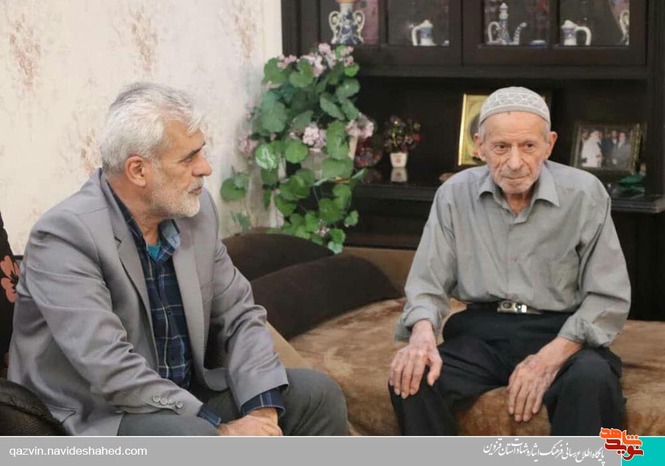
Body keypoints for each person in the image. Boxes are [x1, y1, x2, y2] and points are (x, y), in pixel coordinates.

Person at [8, 82, 348, 436]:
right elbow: (109, 367)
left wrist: (261, 413)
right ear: (138, 170)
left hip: (181, 401)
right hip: (96, 418)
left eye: (201, 153)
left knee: (317, 394)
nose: (205, 168)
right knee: (195, 438)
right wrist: (223, 430)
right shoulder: (65, 236)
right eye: (189, 158)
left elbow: (240, 316)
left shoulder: (195, 213)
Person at [388, 86, 629, 436]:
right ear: (479, 146)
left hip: (561, 331)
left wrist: (547, 360)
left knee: (592, 380)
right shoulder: (454, 194)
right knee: (411, 378)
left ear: (549, 144)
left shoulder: (584, 193)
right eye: (501, 147)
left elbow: (607, 297)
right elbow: (427, 284)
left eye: (528, 146)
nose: (515, 163)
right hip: (481, 334)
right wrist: (422, 337)